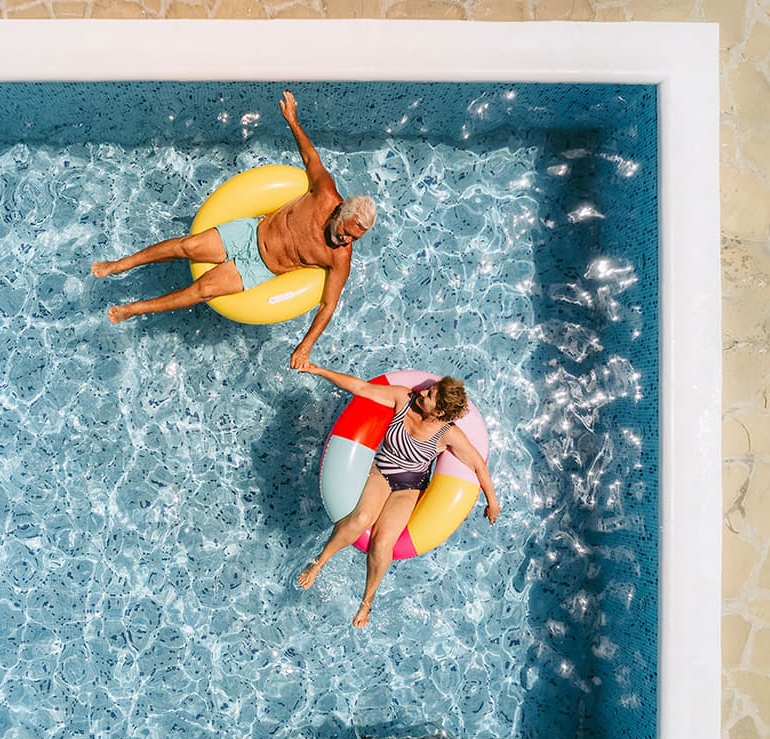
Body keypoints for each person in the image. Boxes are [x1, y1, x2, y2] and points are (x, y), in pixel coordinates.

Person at [93, 91, 376, 369]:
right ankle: (121, 264)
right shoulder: (324, 194)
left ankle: (134, 309)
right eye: (346, 231)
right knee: (187, 247)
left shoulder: (340, 257)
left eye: (354, 238)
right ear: (340, 211)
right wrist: (292, 119)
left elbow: (328, 306)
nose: (346, 239)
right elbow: (310, 157)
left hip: (260, 269)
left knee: (203, 290)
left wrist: (305, 346)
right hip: (250, 233)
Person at [291, 364, 499, 628]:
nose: (422, 392)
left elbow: (478, 464)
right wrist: (317, 370)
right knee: (361, 518)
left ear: (440, 412)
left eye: (430, 395)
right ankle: (319, 563)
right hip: (381, 473)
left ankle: (366, 602)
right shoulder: (403, 399)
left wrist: (492, 502)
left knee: (382, 543)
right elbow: (361, 388)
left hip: (409, 486)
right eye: (429, 389)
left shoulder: (448, 434)